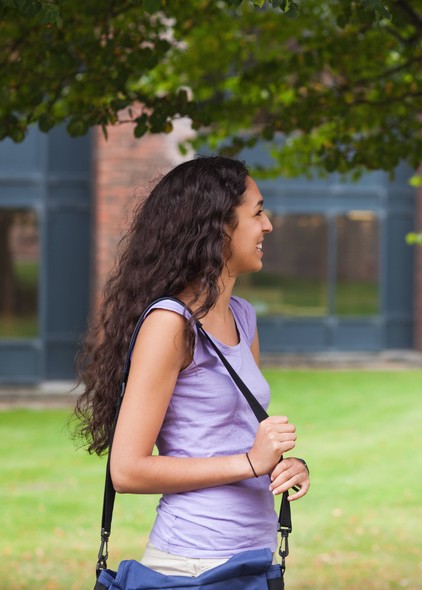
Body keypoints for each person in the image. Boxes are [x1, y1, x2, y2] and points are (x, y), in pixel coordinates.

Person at [74, 156, 310, 576]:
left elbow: (235, 437)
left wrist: (281, 466)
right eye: (257, 212)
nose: (268, 225)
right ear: (219, 226)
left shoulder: (243, 316)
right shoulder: (169, 323)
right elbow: (126, 469)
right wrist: (251, 462)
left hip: (252, 559)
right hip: (192, 565)